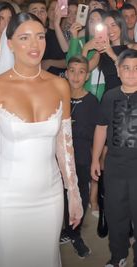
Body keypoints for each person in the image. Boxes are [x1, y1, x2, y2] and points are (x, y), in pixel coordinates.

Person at [0, 12, 83, 267]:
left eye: (40, 37)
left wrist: (73, 192)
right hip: (6, 198)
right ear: (10, 44)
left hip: (49, 197)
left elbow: (65, 145)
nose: (35, 45)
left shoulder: (60, 86)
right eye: (25, 38)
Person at [91, 48, 137, 267]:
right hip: (115, 168)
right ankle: (118, 255)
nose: (131, 73)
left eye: (136, 69)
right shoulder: (110, 96)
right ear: (118, 71)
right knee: (116, 213)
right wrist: (95, 159)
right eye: (126, 68)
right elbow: (101, 128)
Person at [60, 55, 98, 258]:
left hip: (81, 157)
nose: (75, 75)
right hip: (57, 158)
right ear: (66, 73)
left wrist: (96, 161)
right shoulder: (58, 96)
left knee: (80, 194)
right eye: (72, 70)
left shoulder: (92, 102)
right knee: (59, 195)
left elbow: (98, 137)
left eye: (81, 71)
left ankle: (74, 233)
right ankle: (60, 229)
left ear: (87, 76)